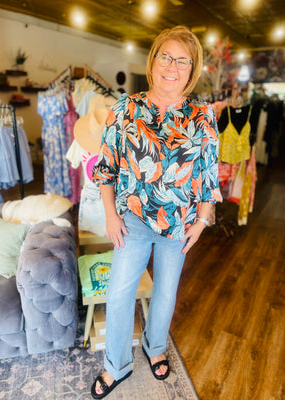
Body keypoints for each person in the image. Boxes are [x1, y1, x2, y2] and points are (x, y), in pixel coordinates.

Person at [90, 25, 222, 399]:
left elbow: (208, 174)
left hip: (179, 223)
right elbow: (105, 168)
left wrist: (202, 220)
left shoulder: (202, 115)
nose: (172, 66)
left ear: (192, 68)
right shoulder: (127, 108)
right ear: (153, 61)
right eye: (166, 56)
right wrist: (110, 215)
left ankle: (155, 346)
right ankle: (116, 364)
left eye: (182, 60)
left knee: (165, 292)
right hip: (131, 218)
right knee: (118, 294)